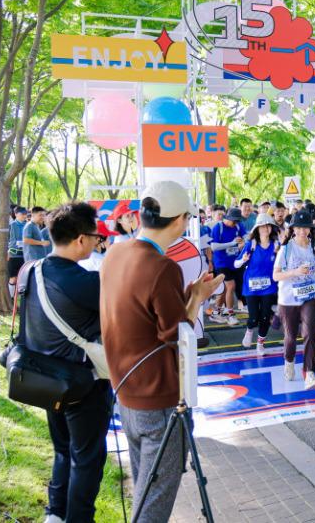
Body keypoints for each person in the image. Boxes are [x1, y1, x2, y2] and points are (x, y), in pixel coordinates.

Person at [100, 181, 223, 523]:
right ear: (181, 220)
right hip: (159, 398)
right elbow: (175, 333)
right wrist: (196, 299)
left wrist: (191, 295)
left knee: (144, 487)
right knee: (154, 498)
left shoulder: (115, 254)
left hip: (126, 391)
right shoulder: (162, 266)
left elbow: (144, 313)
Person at [20, 202, 110, 523]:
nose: (98, 242)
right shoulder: (86, 281)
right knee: (87, 458)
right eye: (96, 236)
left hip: (45, 379)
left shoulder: (31, 270)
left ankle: (55, 514)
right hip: (82, 384)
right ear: (80, 239)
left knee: (63, 450)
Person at [274, 210, 315, 390]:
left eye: (306, 228)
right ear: (293, 229)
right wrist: (295, 272)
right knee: (290, 336)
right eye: (299, 228)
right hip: (288, 298)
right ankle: (289, 361)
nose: (303, 231)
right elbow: (275, 275)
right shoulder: (286, 249)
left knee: (310, 331)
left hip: (310, 295)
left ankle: (310, 373)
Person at [236, 213, 281, 356]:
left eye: (267, 226)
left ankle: (260, 344)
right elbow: (236, 264)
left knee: (265, 317)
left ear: (271, 228)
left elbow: (283, 265)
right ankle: (249, 330)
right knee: (254, 317)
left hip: (268, 287)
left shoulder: (276, 245)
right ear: (257, 229)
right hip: (251, 288)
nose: (264, 228)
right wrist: (243, 259)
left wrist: (279, 253)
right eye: (261, 226)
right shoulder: (251, 245)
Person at [209, 208, 246, 326]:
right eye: (233, 221)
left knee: (224, 290)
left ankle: (215, 313)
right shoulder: (218, 227)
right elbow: (213, 246)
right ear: (227, 218)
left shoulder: (239, 226)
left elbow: (246, 237)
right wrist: (232, 243)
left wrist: (242, 243)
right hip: (221, 263)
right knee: (231, 286)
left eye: (237, 221)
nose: (235, 223)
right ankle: (230, 314)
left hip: (234, 263)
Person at [7, 207, 29, 295]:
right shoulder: (11, 225)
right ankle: (11, 298)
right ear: (15, 214)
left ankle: (21, 299)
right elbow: (5, 240)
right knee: (13, 278)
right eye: (22, 214)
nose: (24, 216)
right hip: (13, 255)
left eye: (25, 214)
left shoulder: (28, 225)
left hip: (25, 255)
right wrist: (7, 252)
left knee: (24, 278)